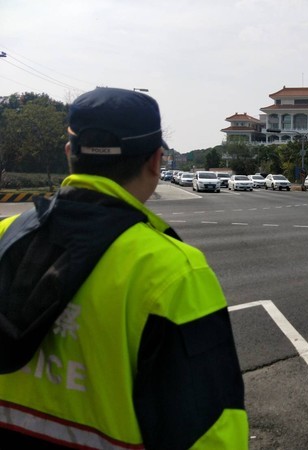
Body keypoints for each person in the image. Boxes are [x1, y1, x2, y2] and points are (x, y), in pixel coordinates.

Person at [0, 87, 248, 449]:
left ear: (70, 153)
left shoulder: (5, 236)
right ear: (156, 161)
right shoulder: (173, 271)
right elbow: (211, 432)